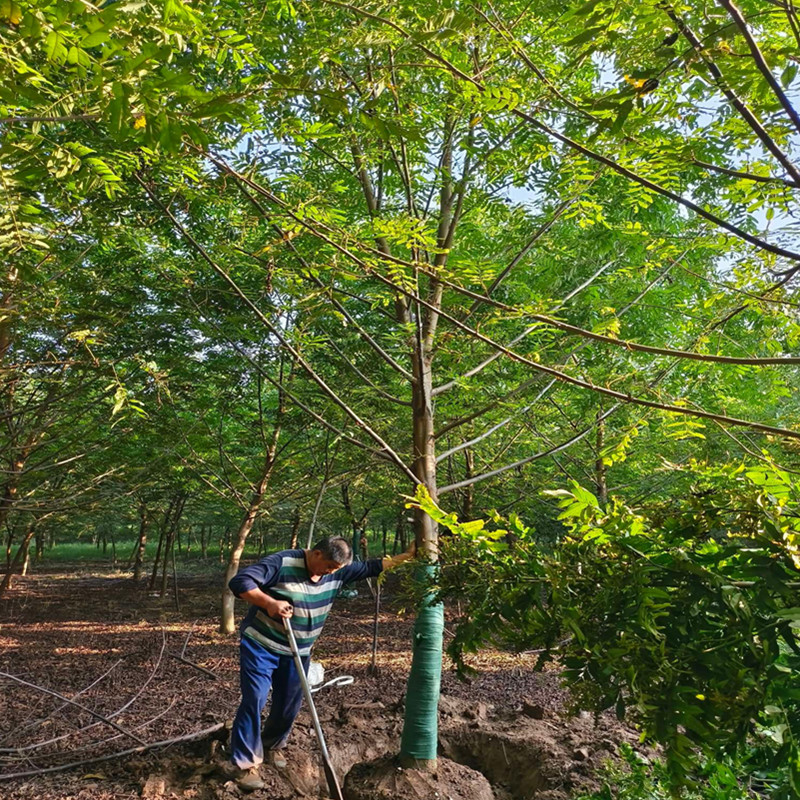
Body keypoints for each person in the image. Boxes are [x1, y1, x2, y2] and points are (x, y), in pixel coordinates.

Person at [224, 535, 415, 791]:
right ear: (315, 553)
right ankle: (245, 764)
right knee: (255, 698)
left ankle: (272, 745)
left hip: (298, 650)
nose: (330, 572)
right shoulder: (282, 562)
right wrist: (270, 603)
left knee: (290, 701)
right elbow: (239, 582)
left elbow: (372, 567)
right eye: (328, 566)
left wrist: (408, 555)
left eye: (336, 569)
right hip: (262, 644)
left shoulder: (338, 572)